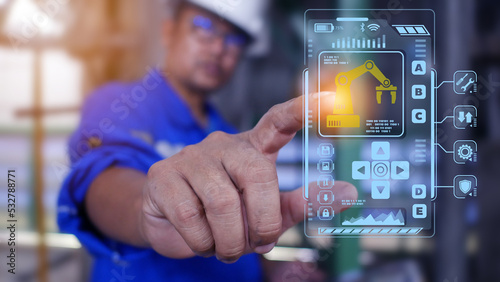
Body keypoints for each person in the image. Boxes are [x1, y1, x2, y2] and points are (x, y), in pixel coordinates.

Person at [58, 0, 357, 281]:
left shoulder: (226, 133)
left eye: (234, 39)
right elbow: (101, 180)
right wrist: (146, 211)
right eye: (203, 27)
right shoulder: (118, 103)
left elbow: (238, 241)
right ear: (169, 31)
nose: (218, 48)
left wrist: (273, 268)